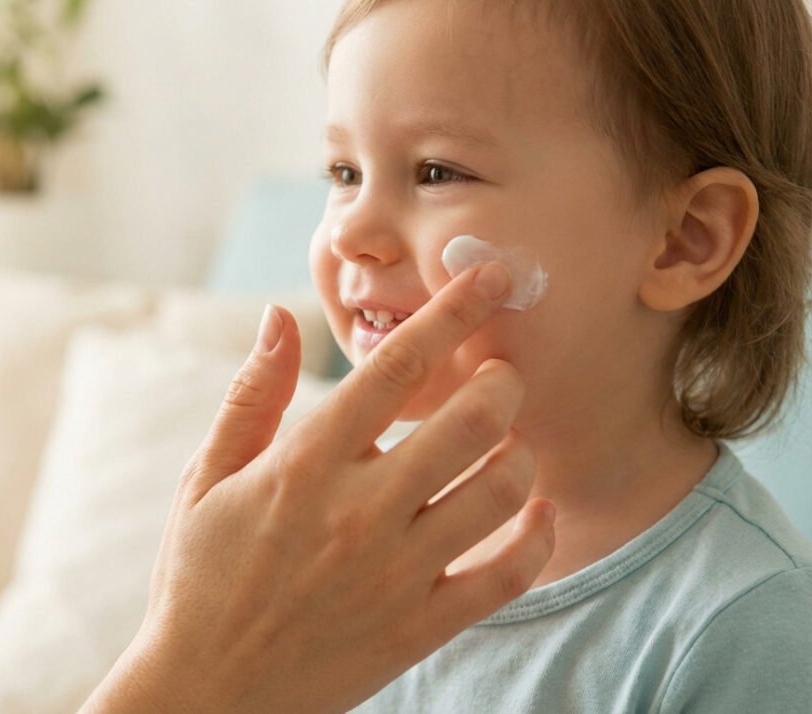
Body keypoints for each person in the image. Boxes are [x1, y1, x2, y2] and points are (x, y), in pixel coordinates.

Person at [86, 0, 812, 711]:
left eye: (437, 172)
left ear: (686, 239)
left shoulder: (748, 627)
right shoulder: (325, 558)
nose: (349, 234)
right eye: (344, 172)